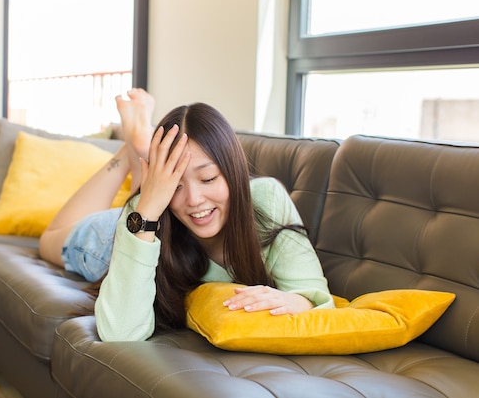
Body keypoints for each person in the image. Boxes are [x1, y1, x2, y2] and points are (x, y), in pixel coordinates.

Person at [39, 88, 334, 342]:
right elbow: (120, 333)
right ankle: (133, 150)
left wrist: (296, 300)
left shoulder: (266, 198)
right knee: (49, 240)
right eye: (175, 184)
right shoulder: (141, 211)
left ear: (233, 172)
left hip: (161, 213)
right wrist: (150, 205)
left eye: (208, 180)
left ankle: (146, 158)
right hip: (131, 235)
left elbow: (315, 296)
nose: (194, 200)